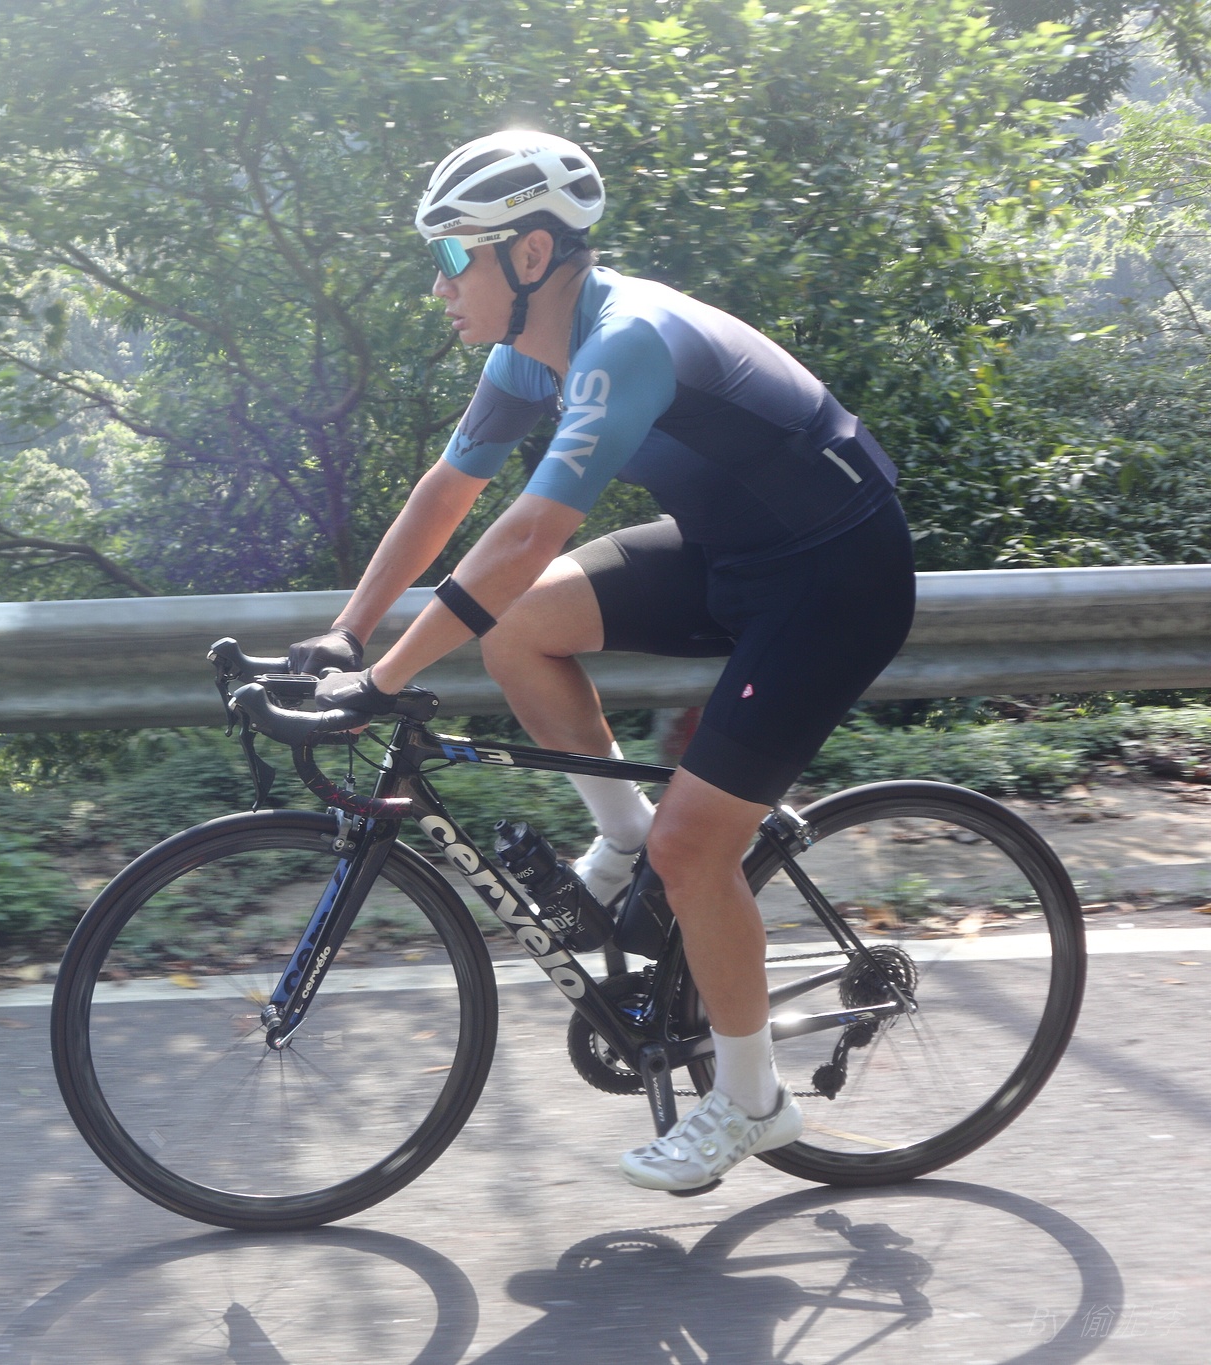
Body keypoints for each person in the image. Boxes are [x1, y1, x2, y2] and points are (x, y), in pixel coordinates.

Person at [287, 130, 916, 1193]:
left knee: (695, 847)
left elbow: (528, 532)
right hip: (731, 551)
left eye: (453, 256)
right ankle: (624, 847)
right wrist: (349, 633)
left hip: (833, 576)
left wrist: (384, 681)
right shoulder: (526, 355)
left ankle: (752, 1101)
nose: (439, 285)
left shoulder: (625, 342)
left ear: (529, 255)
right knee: (519, 628)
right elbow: (447, 492)